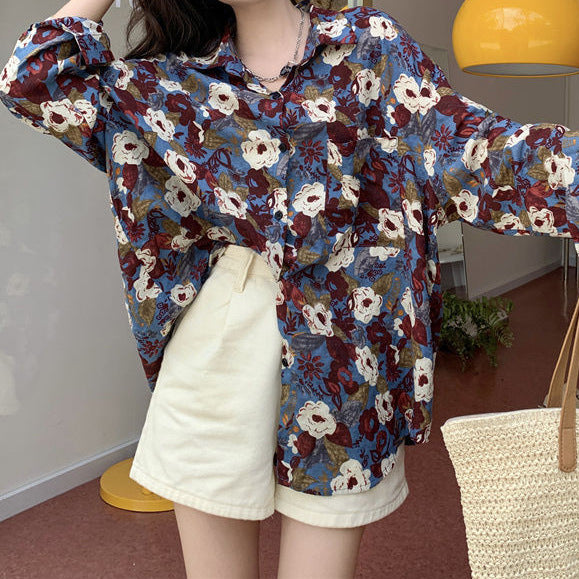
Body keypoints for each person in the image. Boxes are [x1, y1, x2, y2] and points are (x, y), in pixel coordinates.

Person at [1, 0, 579, 578]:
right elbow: (32, 80)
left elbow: (471, 151)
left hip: (347, 349)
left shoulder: (367, 45)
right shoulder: (170, 81)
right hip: (218, 341)